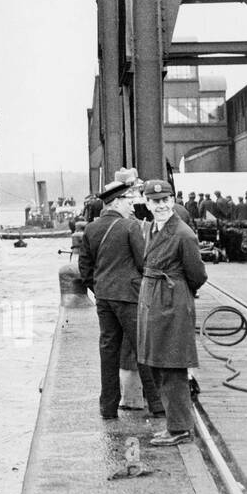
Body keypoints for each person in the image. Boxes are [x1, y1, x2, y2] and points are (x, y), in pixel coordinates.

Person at [78, 176, 162, 421]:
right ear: (115, 202)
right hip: (129, 296)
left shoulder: (91, 229)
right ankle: (157, 405)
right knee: (142, 349)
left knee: (108, 351)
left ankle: (108, 408)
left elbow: (85, 268)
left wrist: (100, 289)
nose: (132, 205)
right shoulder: (130, 227)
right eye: (128, 200)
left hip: (104, 298)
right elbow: (142, 261)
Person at [137, 179, 208, 446]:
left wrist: (176, 294)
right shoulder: (150, 229)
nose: (162, 205)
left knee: (173, 365)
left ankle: (180, 428)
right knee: (157, 362)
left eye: (166, 200)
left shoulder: (183, 234)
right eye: (156, 201)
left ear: (173, 200)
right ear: (147, 203)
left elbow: (198, 275)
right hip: (154, 301)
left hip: (172, 302)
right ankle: (174, 423)